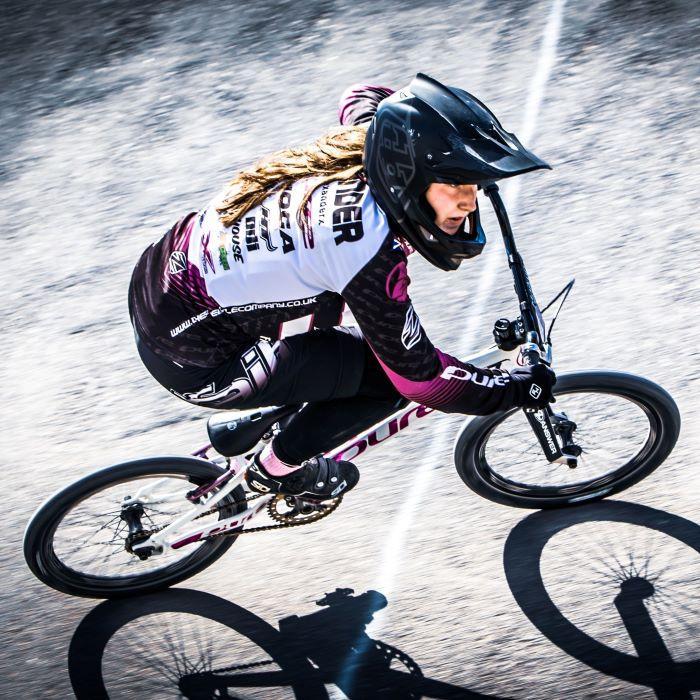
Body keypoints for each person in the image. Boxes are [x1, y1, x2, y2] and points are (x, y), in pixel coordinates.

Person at [128, 73, 556, 501]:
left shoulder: (372, 147)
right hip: (196, 359)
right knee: (386, 380)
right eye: (455, 184)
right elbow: (423, 381)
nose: (468, 201)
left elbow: (362, 94)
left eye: (473, 184)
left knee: (335, 328)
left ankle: (281, 408)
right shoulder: (365, 250)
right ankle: (278, 469)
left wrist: (433, 125)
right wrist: (516, 388)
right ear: (410, 179)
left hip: (161, 282)